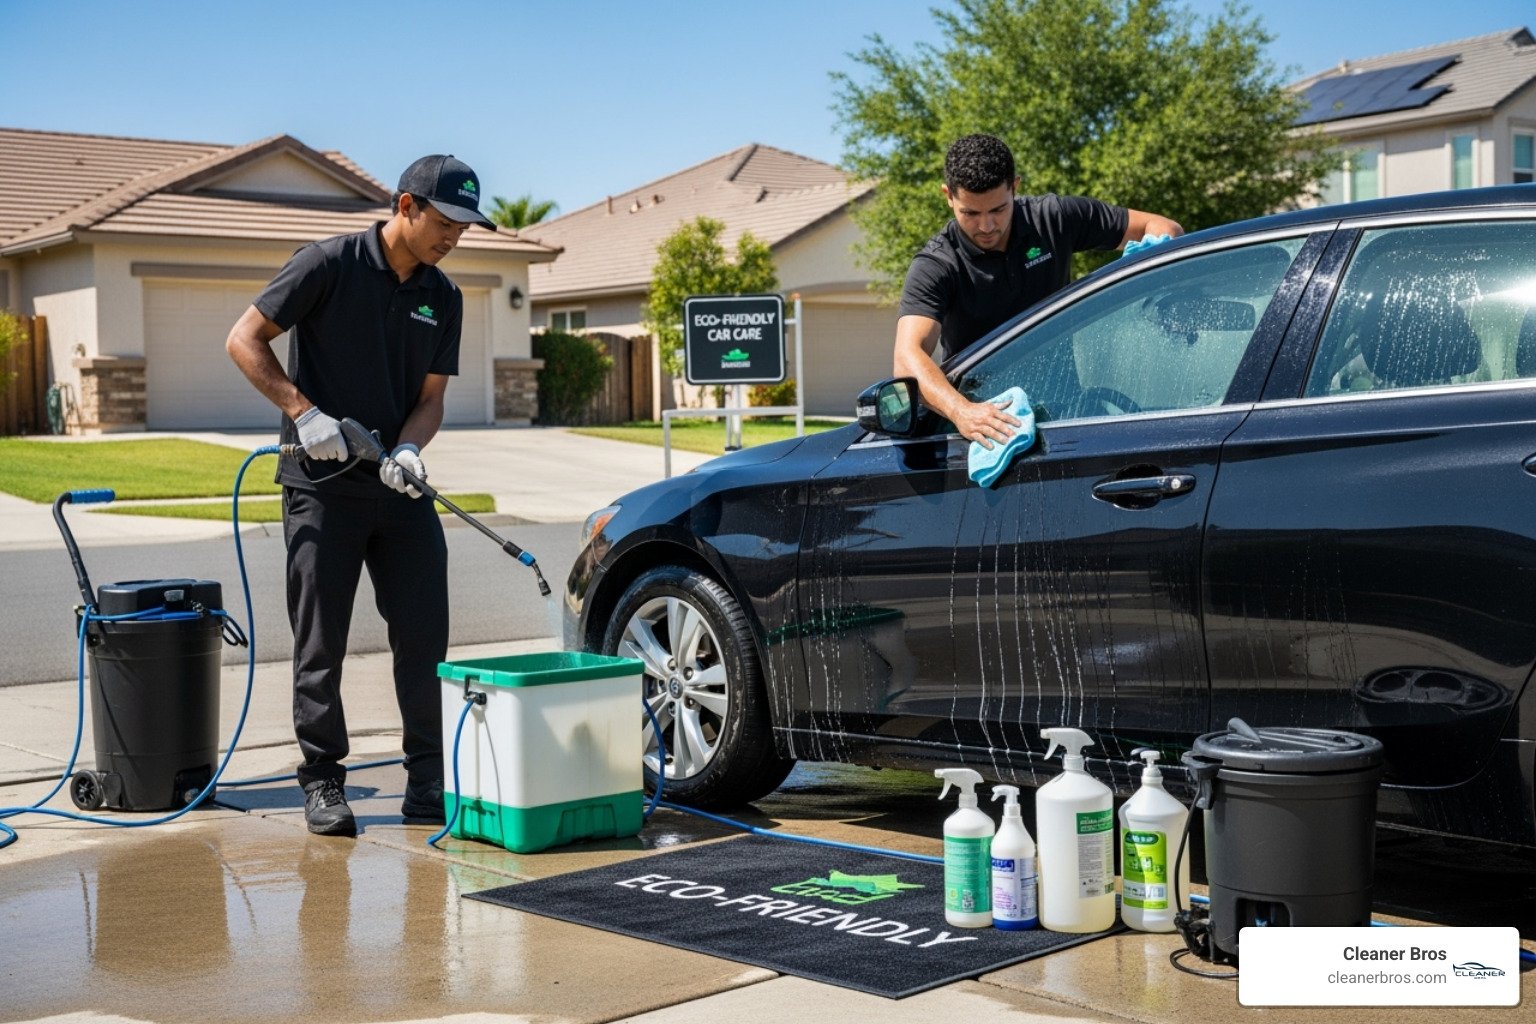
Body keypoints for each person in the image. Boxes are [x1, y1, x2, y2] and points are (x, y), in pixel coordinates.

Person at [225, 154, 497, 836]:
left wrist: (410, 449)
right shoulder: (326, 264)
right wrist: (302, 411)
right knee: (322, 642)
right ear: (406, 206)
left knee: (424, 638)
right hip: (321, 490)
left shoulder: (444, 296)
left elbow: (431, 399)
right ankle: (322, 779)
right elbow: (244, 339)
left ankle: (427, 781)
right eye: (445, 221)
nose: (454, 236)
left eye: (464, 227)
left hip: (398, 490)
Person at [895, 133, 1183, 446]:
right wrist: (962, 411)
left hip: (1062, 418)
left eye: (998, 210)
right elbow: (907, 357)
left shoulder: (1052, 219)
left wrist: (1152, 276)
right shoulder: (937, 264)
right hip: (984, 428)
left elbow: (1163, 227)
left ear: (1015, 187)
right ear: (948, 196)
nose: (987, 226)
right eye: (971, 213)